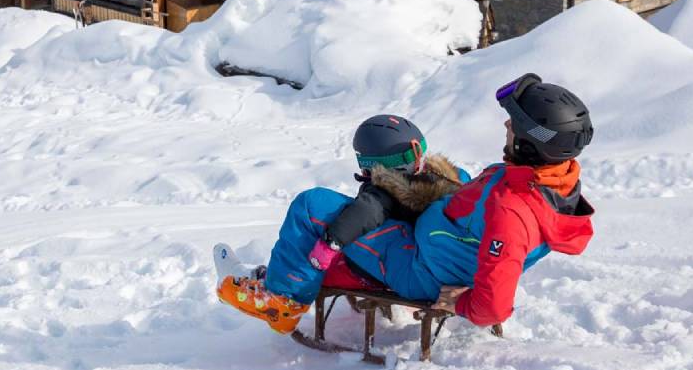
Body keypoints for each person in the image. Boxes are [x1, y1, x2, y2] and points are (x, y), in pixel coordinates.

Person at [217, 73, 595, 335]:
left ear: (533, 140)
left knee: (312, 206)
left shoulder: (512, 213)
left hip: (420, 270)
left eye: (513, 124)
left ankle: (281, 300)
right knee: (449, 177)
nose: (505, 127)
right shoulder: (546, 182)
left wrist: (463, 303)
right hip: (434, 245)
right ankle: (289, 275)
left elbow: (493, 305)